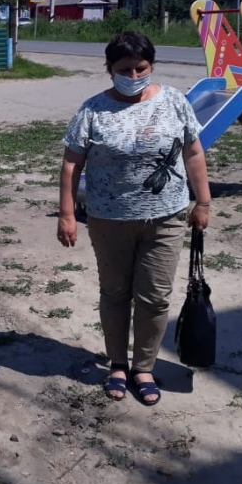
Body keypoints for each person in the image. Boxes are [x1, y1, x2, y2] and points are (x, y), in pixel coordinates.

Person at [56, 31, 211, 407]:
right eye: (124, 69)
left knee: (155, 297)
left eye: (141, 68)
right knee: (114, 294)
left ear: (151, 65)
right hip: (109, 220)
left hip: (166, 218)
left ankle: (144, 366)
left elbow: (193, 152)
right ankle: (117, 364)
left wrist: (203, 202)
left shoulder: (174, 101)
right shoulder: (92, 110)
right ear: (109, 69)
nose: (134, 75)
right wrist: (67, 214)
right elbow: (72, 163)